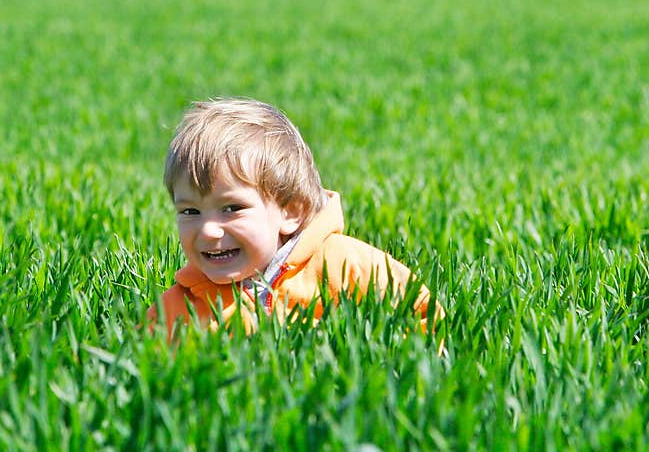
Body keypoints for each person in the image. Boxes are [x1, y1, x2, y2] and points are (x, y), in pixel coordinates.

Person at [146, 96, 443, 342]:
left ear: (291, 211)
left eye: (232, 208)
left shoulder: (347, 269)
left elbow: (421, 313)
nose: (209, 230)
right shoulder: (178, 308)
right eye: (190, 212)